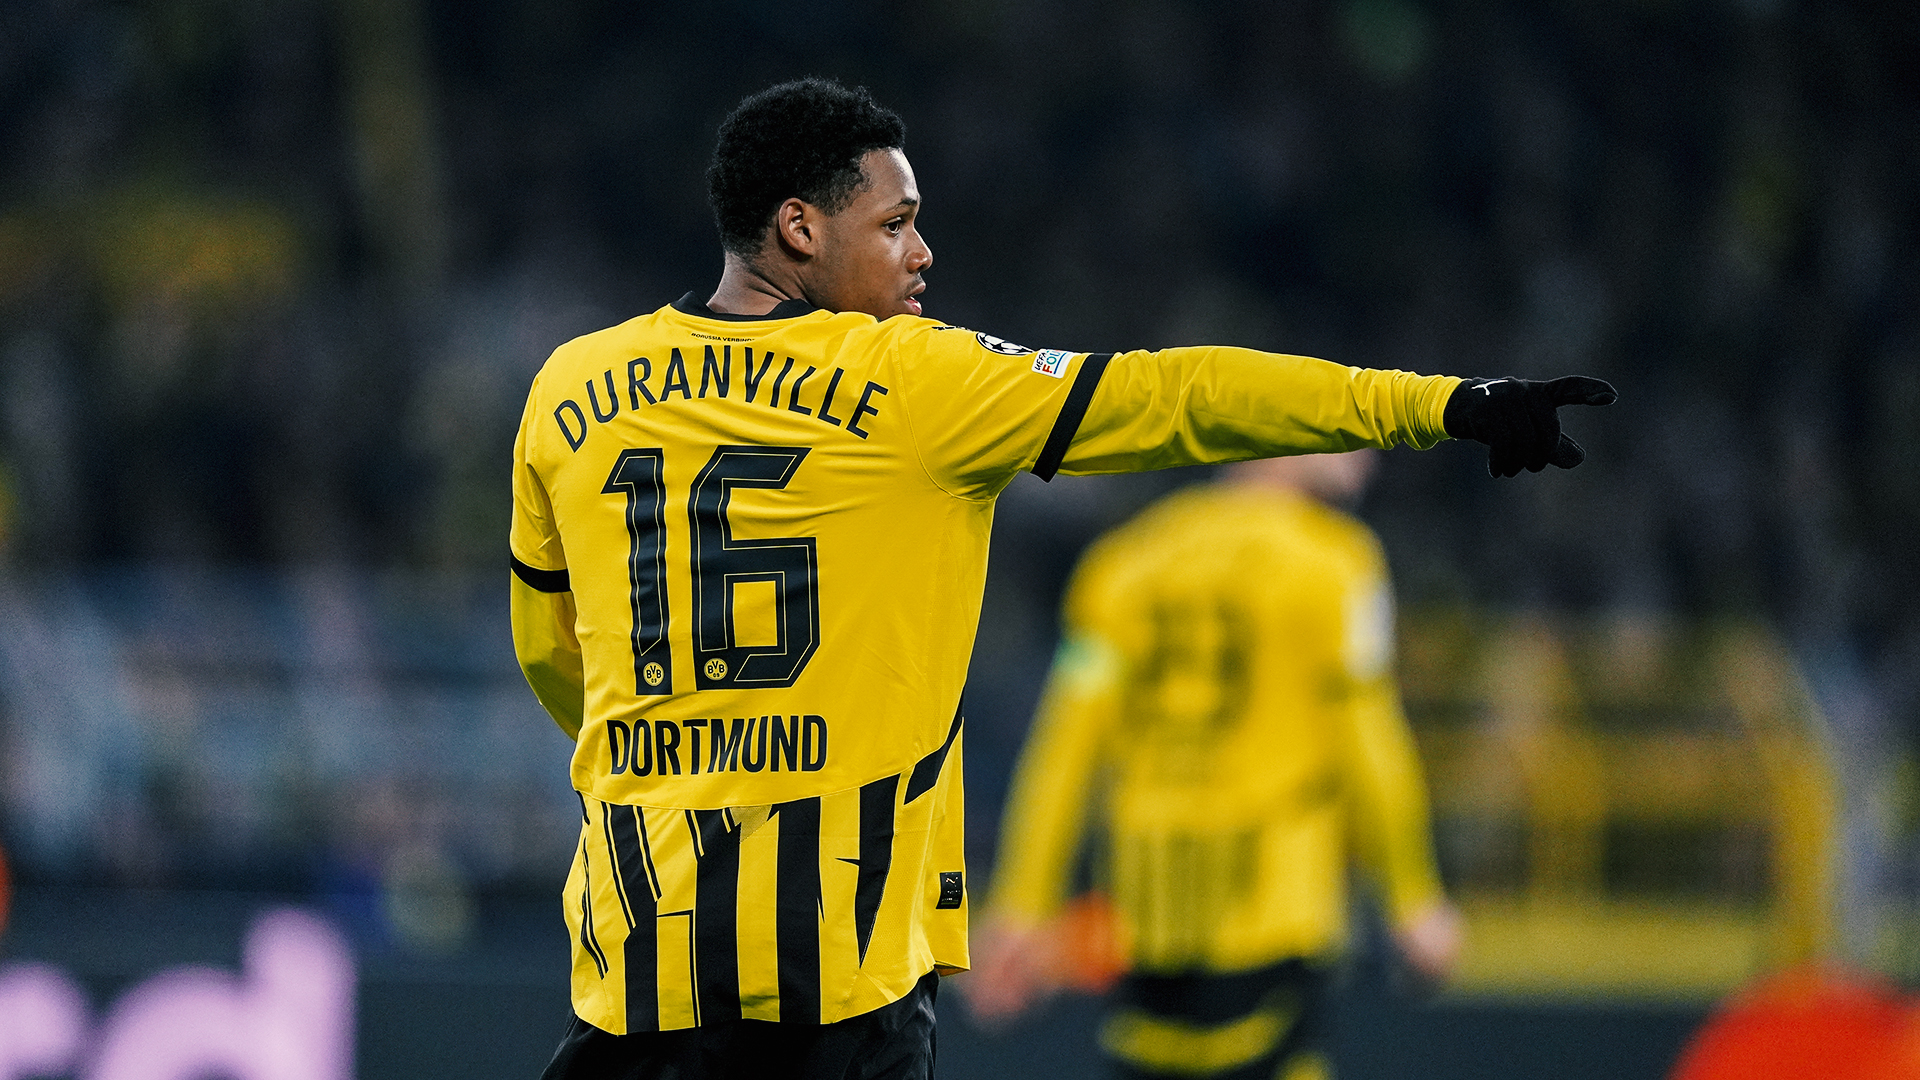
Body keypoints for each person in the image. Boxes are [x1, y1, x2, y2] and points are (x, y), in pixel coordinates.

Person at [508, 77, 1612, 1079]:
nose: (922, 253)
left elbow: (552, 656)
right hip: (839, 1004)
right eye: (895, 224)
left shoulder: (570, 389)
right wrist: (1444, 404)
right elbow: (1184, 396)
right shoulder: (920, 383)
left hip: (633, 987)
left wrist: (691, 753)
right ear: (799, 227)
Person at [967, 450, 1459, 1080]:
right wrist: (1414, 896)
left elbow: (1064, 749)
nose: (1364, 450)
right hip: (1275, 909)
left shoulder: (1124, 563)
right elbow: (1369, 735)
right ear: (1280, 435)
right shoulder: (1337, 562)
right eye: (1339, 425)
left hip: (1149, 908)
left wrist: (1022, 903)